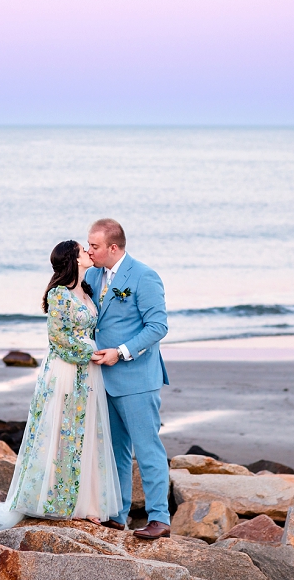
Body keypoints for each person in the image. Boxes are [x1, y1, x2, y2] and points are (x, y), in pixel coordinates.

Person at [0, 240, 122, 530]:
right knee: (61, 431)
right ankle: (55, 500)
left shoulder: (87, 291)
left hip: (88, 372)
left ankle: (85, 503)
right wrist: (87, 354)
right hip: (66, 368)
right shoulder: (59, 294)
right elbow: (57, 338)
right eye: (83, 250)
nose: (89, 252)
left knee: (85, 432)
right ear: (73, 259)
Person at [85, 218, 172, 539]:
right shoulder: (92, 275)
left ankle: (159, 518)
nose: (88, 250)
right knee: (114, 450)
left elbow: (157, 327)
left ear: (113, 247)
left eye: (94, 246)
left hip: (136, 378)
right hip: (102, 379)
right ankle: (117, 514)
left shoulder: (144, 276)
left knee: (147, 448)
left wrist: (119, 352)